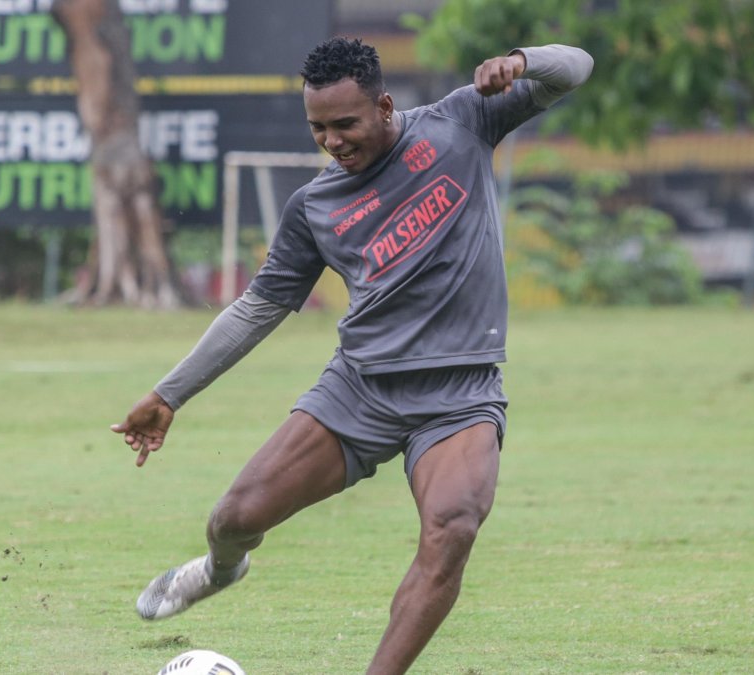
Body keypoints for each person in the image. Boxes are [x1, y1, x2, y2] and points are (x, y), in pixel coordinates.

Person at [112, 36, 593, 674]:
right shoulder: (314, 206)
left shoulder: (460, 122)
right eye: (318, 128)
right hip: (359, 390)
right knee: (234, 518)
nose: (332, 141)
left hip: (459, 396)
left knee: (452, 528)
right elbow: (258, 308)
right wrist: (169, 394)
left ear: (385, 106)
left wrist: (524, 60)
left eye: (345, 124)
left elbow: (577, 69)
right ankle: (221, 569)